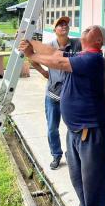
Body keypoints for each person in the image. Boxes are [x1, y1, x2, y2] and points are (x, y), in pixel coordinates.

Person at [19, 25, 105, 206]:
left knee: (94, 181)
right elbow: (54, 53)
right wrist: (29, 42)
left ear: (97, 40)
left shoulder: (93, 59)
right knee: (78, 177)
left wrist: (31, 55)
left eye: (91, 29)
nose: (86, 28)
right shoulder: (80, 54)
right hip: (75, 130)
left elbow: (58, 63)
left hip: (92, 131)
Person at [33, 16, 81, 170]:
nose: (64, 26)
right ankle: (56, 155)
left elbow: (92, 48)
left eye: (66, 23)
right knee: (52, 127)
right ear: (55, 30)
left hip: (71, 96)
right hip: (53, 94)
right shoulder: (48, 47)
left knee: (73, 128)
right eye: (60, 24)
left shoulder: (77, 44)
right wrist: (43, 72)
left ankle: (72, 154)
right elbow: (32, 57)